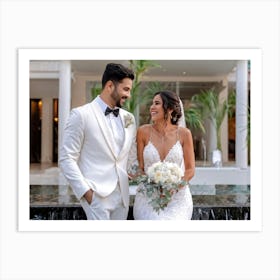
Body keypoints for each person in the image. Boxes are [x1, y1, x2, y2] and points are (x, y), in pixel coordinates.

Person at [59, 63, 136, 220]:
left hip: (122, 195)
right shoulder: (81, 115)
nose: (129, 95)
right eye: (126, 89)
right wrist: (87, 193)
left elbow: (125, 155)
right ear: (109, 86)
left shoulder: (129, 118)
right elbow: (66, 158)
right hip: (96, 195)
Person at [133, 90, 195, 220]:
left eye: (157, 103)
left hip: (177, 197)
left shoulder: (184, 134)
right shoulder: (143, 132)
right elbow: (140, 168)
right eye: (152, 103)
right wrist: (152, 186)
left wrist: (174, 187)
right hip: (148, 196)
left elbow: (190, 170)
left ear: (170, 108)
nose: (152, 107)